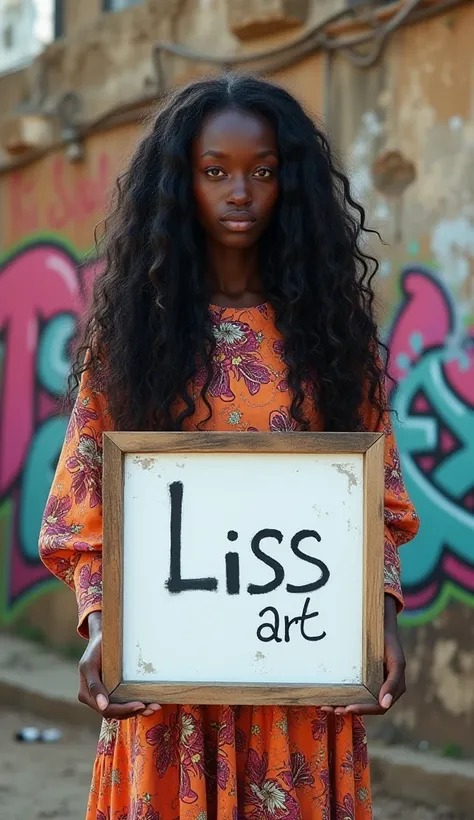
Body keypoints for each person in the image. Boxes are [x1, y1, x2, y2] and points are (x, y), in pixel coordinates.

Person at [39, 73, 419, 820]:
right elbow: (86, 507)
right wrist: (102, 628)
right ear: (182, 183)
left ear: (293, 183)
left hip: (299, 679)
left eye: (263, 171)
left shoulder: (334, 346)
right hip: (166, 685)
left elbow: (375, 501)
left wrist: (384, 621)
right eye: (215, 171)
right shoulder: (129, 345)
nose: (239, 192)